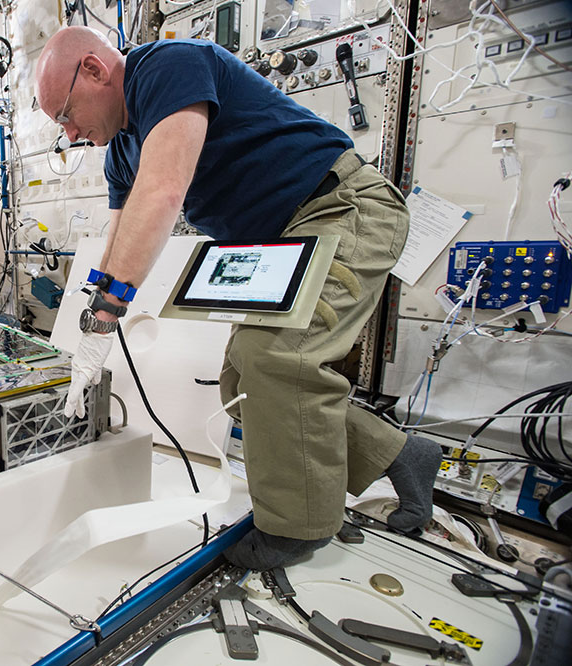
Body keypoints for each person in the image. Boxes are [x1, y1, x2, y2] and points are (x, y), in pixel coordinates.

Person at [35, 27, 442, 571]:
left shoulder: (165, 66)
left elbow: (162, 193)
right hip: (273, 243)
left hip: (338, 207)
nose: (70, 131)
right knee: (243, 381)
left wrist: (110, 311)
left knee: (275, 357)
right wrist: (90, 328)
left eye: (64, 114)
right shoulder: (119, 153)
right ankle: (398, 453)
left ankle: (299, 530)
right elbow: (118, 236)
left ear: (94, 70)